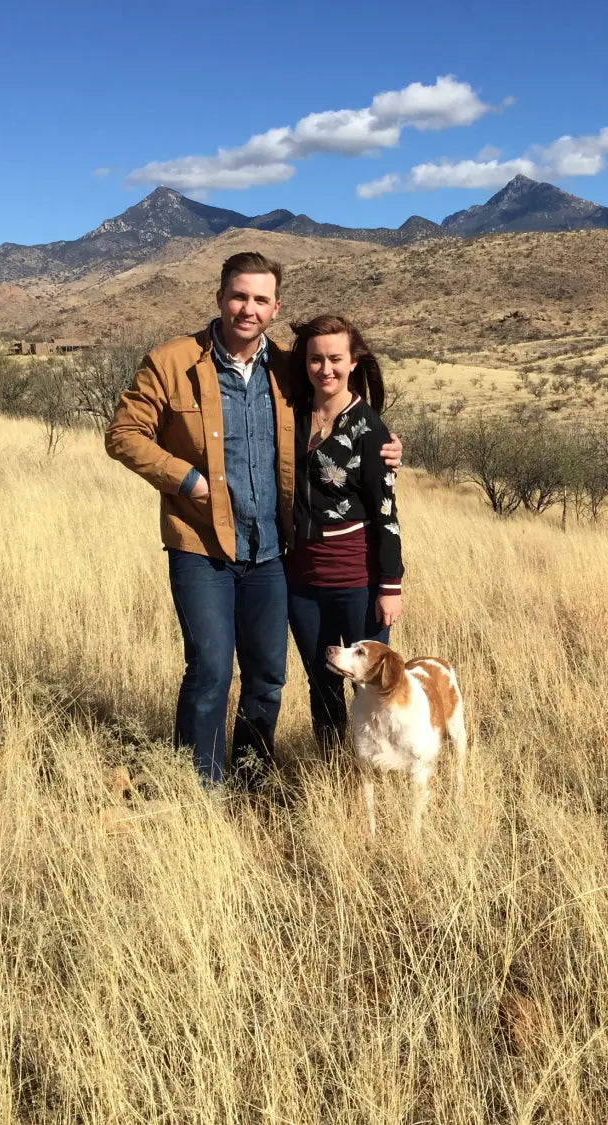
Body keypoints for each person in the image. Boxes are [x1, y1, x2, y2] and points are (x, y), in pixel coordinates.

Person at [104, 252, 400, 788]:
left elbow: (337, 405)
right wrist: (187, 480)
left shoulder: (287, 367)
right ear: (220, 298)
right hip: (201, 545)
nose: (248, 308)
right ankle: (201, 788)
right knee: (212, 670)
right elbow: (124, 435)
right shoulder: (171, 362)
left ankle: (251, 778)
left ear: (275, 307)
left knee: (268, 677)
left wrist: (382, 443)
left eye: (261, 299)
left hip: (271, 553)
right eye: (239, 296)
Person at [285, 314, 403, 753]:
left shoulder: (370, 430)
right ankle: (334, 769)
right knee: (321, 682)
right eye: (316, 359)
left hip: (357, 578)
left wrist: (390, 585)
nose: (325, 369)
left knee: (369, 686)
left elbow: (387, 513)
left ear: (354, 362)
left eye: (335, 358)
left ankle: (379, 767)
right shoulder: (289, 416)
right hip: (299, 578)